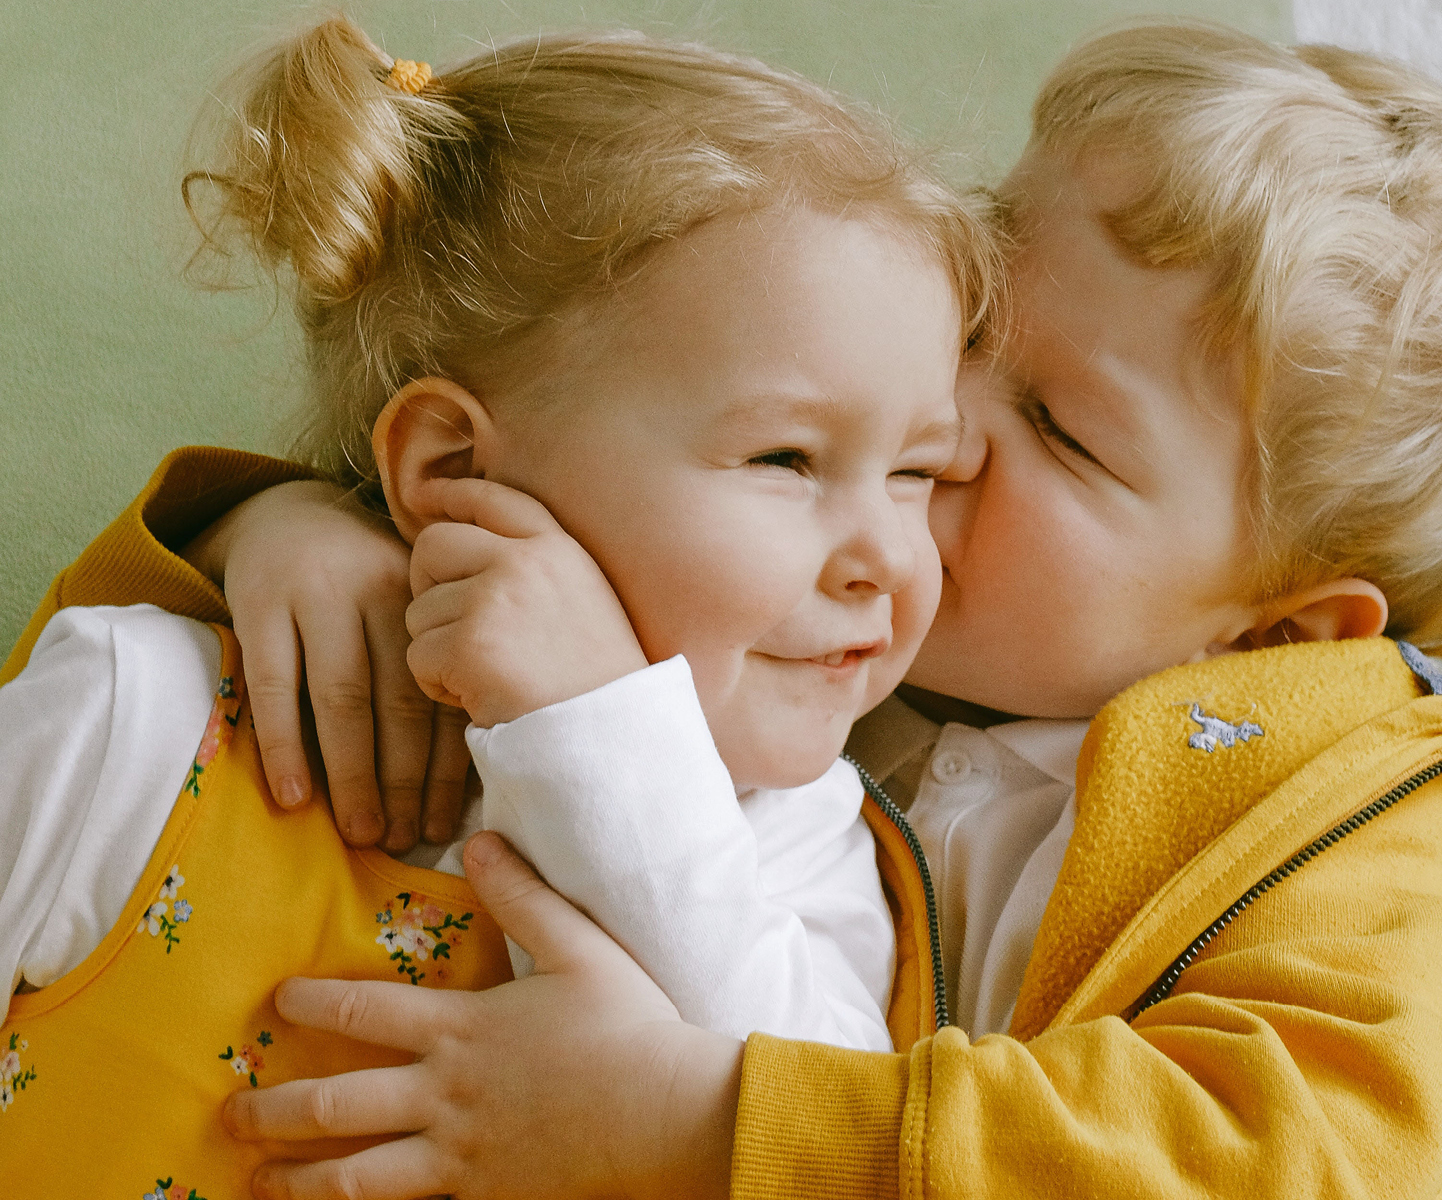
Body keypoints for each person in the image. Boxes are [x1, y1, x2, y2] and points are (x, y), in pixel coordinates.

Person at [3, 21, 1442, 1200]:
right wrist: (301, 524)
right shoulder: (861, 643)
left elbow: (1297, 1165)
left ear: (1276, 636)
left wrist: (708, 1127)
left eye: (1060, 429)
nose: (940, 418)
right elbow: (604, 436)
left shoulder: (1370, 855)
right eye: (976, 318)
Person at [0, 14, 1000, 1191]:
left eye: (918, 472)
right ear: (454, 470)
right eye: (785, 458)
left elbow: (809, 1149)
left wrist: (605, 732)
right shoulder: (139, 716)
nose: (888, 556)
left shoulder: (804, 844)